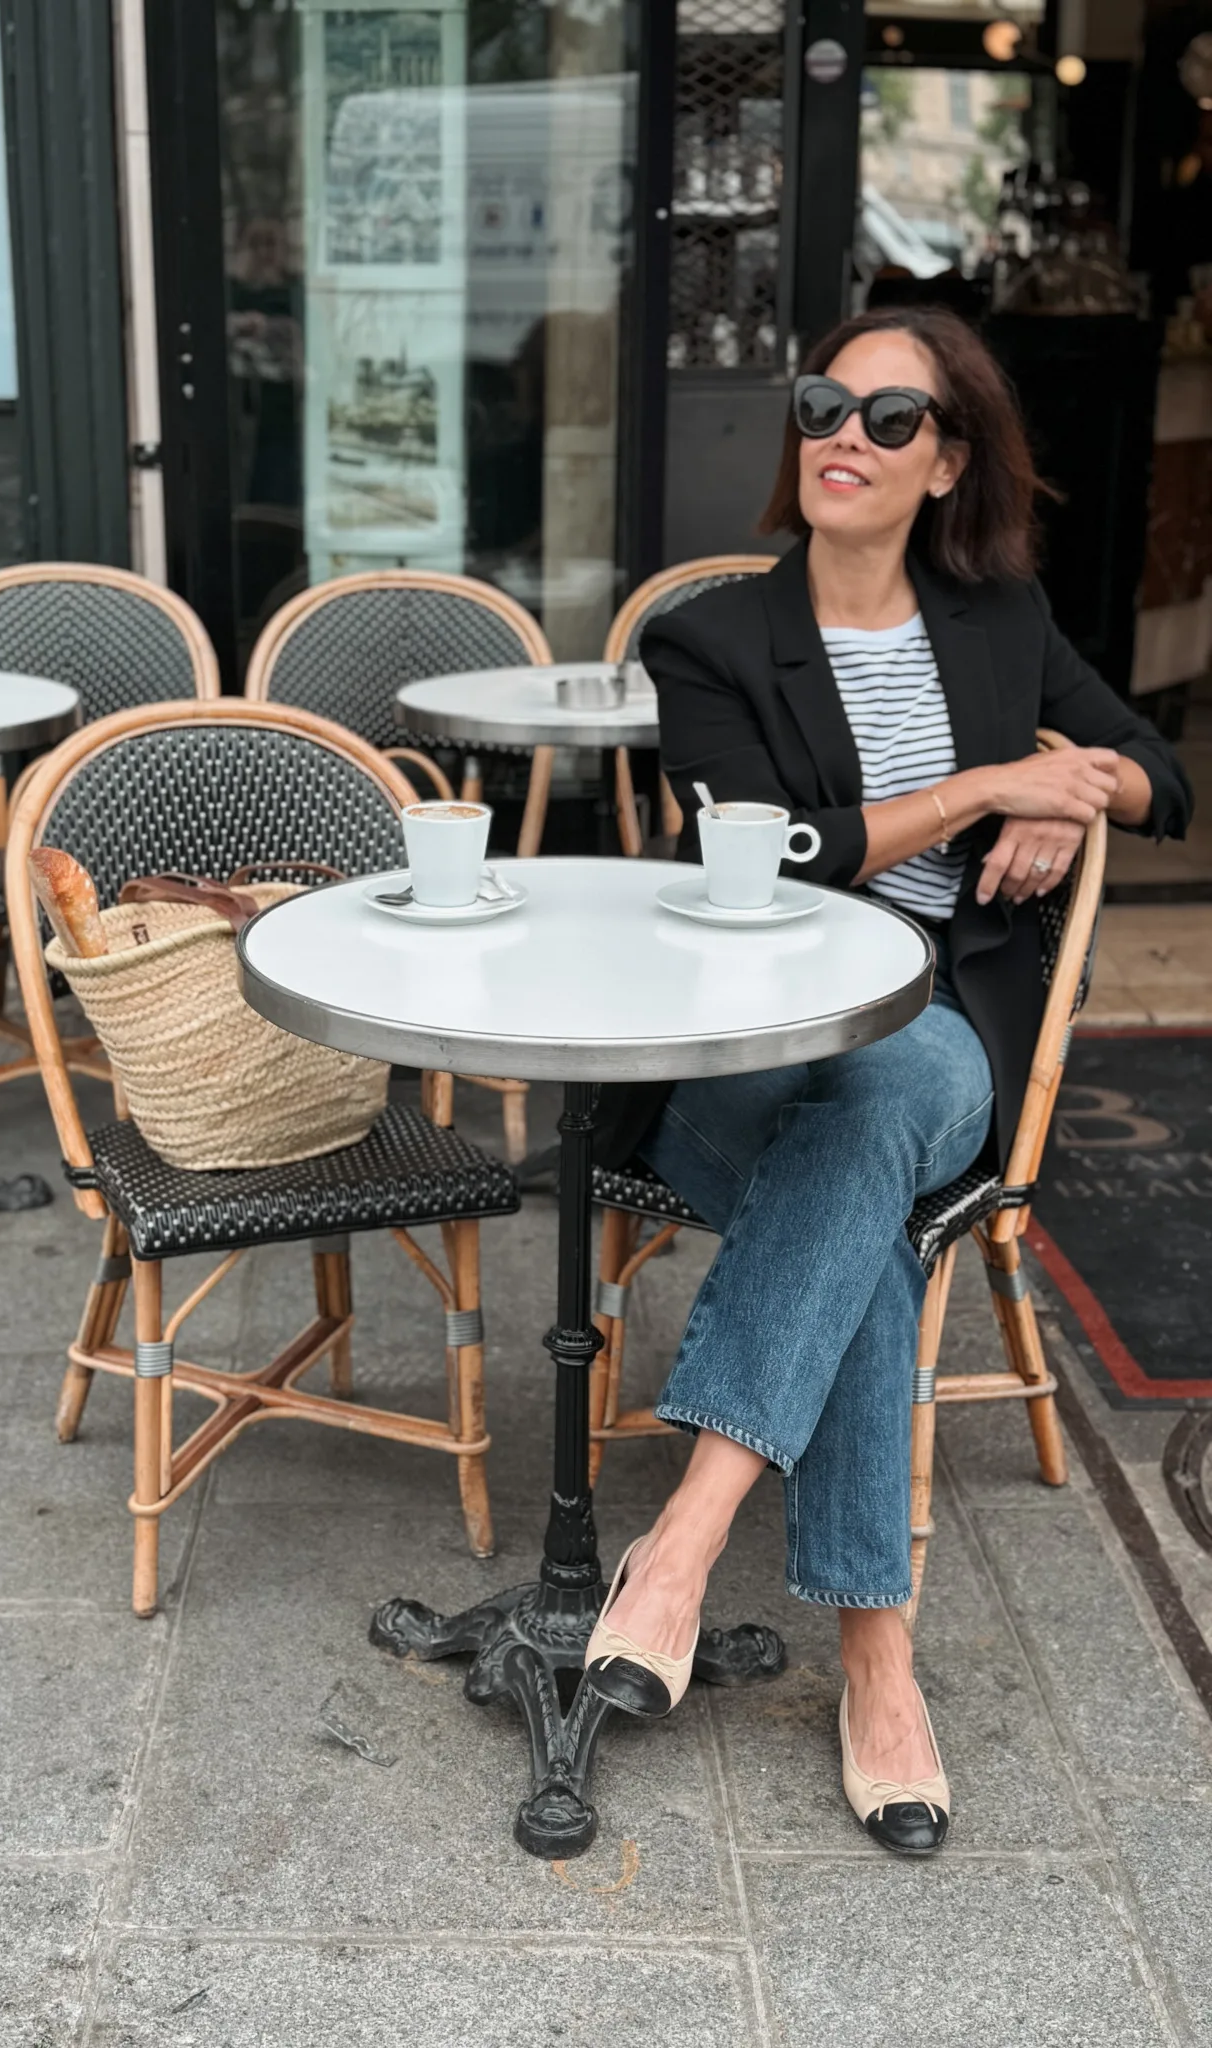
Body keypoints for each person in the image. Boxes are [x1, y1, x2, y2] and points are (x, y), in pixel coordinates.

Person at [584, 307, 1192, 1855]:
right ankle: (875, 1659)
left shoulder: (999, 622)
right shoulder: (711, 637)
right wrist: (990, 785)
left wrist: (1078, 784)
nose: (845, 434)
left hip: (932, 1044)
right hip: (742, 1057)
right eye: (822, 406)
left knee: (892, 1086)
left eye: (891, 418)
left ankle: (681, 1547)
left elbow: (1161, 774)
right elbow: (778, 849)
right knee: (867, 1176)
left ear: (951, 461)